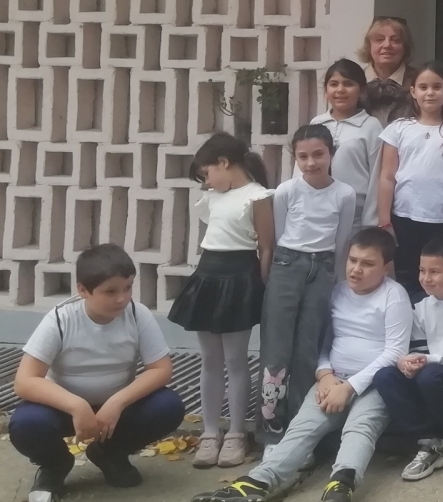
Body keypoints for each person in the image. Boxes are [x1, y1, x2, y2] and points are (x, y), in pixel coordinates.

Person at [193, 228, 413, 502]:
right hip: (333, 380)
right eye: (352, 260)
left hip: (375, 384)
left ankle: (340, 485)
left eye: (368, 264)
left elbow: (395, 352)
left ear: (386, 268)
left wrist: (350, 388)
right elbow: (323, 342)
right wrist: (324, 374)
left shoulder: (394, 296)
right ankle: (254, 484)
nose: (356, 269)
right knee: (303, 428)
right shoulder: (338, 291)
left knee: (360, 427)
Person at [11, 244, 185, 502]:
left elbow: (161, 369)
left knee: (168, 405)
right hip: (64, 409)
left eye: (128, 288)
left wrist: (117, 402)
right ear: (83, 290)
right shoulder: (60, 319)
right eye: (110, 291)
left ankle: (109, 453)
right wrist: (76, 406)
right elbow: (25, 381)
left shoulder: (138, 314)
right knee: (26, 424)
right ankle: (54, 465)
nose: (122, 298)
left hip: (115, 411)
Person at [169, 133, 273, 469]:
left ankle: (237, 433)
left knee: (236, 359)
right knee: (210, 359)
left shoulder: (258, 196)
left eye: (207, 173)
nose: (206, 182)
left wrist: (263, 286)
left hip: (240, 278)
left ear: (224, 163)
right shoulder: (212, 197)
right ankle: (210, 431)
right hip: (208, 276)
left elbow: (266, 248)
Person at [259, 125, 356, 438]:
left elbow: (342, 242)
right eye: (303, 156)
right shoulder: (286, 191)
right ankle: (271, 431)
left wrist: (337, 279)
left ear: (331, 154)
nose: (311, 162)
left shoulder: (345, 194)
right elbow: (278, 235)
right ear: (295, 158)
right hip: (287, 266)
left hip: (323, 269)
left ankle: (301, 430)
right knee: (276, 349)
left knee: (308, 351)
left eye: (318, 154)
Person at [373, 235, 443, 480]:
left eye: (434, 272)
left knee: (430, 376)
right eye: (422, 270)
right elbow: (413, 346)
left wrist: (428, 362)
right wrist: (406, 362)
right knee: (384, 376)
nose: (426, 278)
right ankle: (430, 441)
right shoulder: (417, 303)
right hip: (426, 370)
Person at [376, 62, 443, 298]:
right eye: (423, 87)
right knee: (407, 276)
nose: (430, 93)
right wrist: (384, 221)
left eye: (437, 87)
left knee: (439, 279)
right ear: (413, 92)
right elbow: (387, 177)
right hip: (404, 218)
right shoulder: (398, 129)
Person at [310, 59, 385, 226]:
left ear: (362, 90)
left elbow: (377, 177)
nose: (340, 90)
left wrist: (370, 223)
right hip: (316, 214)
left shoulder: (371, 126)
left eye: (348, 84)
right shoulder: (317, 123)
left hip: (355, 218)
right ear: (326, 90)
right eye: (333, 84)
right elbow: (301, 169)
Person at [358, 16, 414, 94]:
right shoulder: (354, 80)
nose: (387, 45)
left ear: (405, 46)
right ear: (369, 46)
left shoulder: (420, 80)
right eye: (379, 39)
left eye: (395, 40)